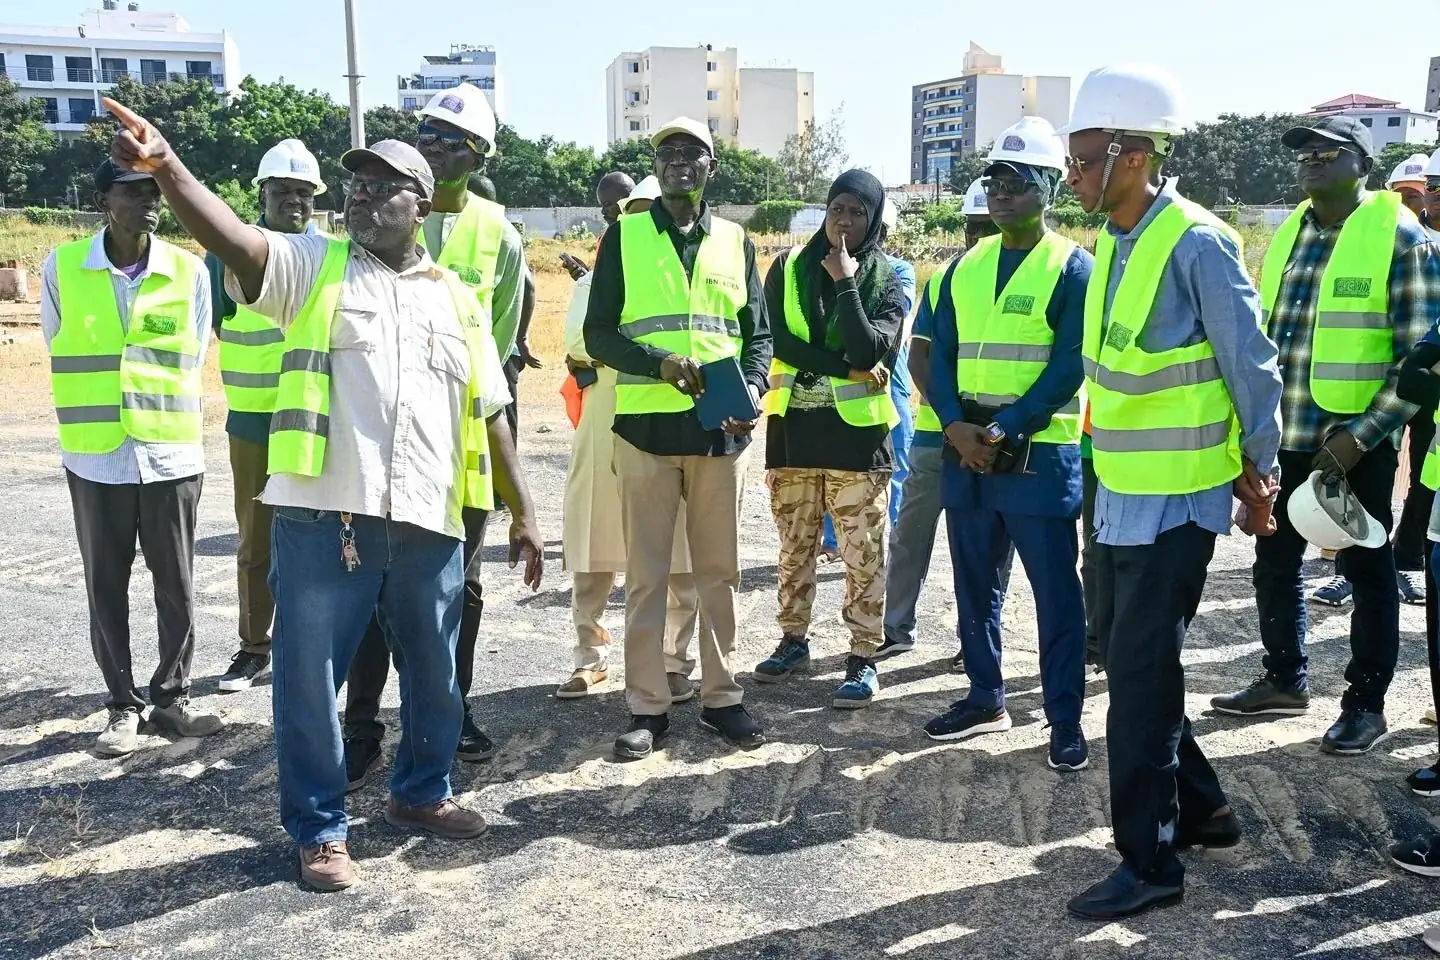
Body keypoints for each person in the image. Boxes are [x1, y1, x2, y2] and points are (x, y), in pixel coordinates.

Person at [102, 97, 545, 890]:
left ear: (422, 203)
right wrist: (167, 168)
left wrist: (527, 512)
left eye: (384, 188)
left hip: (427, 519)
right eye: (357, 188)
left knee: (438, 676)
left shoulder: (455, 296)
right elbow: (233, 238)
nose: (363, 199)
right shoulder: (313, 265)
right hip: (324, 516)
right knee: (310, 682)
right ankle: (319, 827)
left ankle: (421, 794)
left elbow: (491, 409)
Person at [1056, 64, 1284, 921]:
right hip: (1119, 491)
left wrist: (1259, 474)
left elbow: (1249, 365)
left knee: (1141, 686)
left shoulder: (1197, 240)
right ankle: (1205, 808)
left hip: (1178, 501)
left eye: (1083, 160)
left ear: (1134, 155)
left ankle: (1150, 861)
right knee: (1123, 652)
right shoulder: (1114, 244)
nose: (1073, 176)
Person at [1211, 115, 1440, 756]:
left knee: (1368, 573)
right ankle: (1284, 678)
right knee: (1274, 562)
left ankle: (1366, 706)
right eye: (1304, 153)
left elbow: (1419, 361)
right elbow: (1264, 341)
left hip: (1353, 444)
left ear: (1360, 164)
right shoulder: (1291, 232)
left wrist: (1363, 437)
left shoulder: (1402, 237)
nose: (1311, 160)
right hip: (1284, 435)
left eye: (1327, 152)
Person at [343, 81, 529, 780]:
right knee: (368, 583)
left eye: (449, 140)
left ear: (478, 154)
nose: (432, 145)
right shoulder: (369, 218)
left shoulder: (501, 238)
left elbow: (498, 351)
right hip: (373, 439)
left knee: (459, 588)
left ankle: (453, 709)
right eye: (425, 132)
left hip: (457, 449)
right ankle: (361, 724)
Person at [585, 116, 770, 760]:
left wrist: (751, 387)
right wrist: (657, 365)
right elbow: (598, 335)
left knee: (720, 572)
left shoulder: (736, 241)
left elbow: (757, 334)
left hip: (721, 433)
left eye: (692, 153)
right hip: (645, 430)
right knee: (647, 575)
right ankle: (646, 705)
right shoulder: (625, 237)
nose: (679, 163)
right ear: (656, 168)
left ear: (710, 168)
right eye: (667, 154)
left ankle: (723, 696)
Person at [917, 118, 1092, 771]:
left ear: (1051, 187)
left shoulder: (1075, 268)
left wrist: (1006, 426)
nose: (1003, 191)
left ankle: (1065, 718)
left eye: (1019, 181)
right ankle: (985, 696)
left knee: (1055, 595)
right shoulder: (963, 267)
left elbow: (1072, 363)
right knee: (973, 586)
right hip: (968, 453)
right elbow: (937, 355)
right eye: (995, 179)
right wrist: (956, 425)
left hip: (1037, 457)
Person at [41, 157, 221, 758]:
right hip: (96, 458)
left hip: (170, 454)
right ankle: (121, 705)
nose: (150, 201)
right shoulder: (63, 268)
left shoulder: (189, 271)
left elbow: (193, 357)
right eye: (134, 191)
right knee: (105, 585)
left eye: (155, 191)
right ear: (102, 201)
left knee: (177, 584)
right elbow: (57, 342)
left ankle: (171, 695)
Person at [750, 169, 904, 709]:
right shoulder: (788, 266)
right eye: (837, 208)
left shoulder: (885, 280)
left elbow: (870, 351)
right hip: (793, 434)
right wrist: (843, 368)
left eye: (857, 212)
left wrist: (845, 281)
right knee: (795, 549)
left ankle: (863, 657)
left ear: (873, 219)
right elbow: (776, 340)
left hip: (857, 445)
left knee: (863, 553)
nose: (843, 220)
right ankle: (793, 641)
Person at [559, 172, 707, 701]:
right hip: (603, 426)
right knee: (593, 548)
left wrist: (614, 348)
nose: (642, 221)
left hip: (662, 429)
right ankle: (590, 657)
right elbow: (579, 339)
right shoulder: (591, 280)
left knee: (677, 553)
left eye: (651, 211)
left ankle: (672, 661)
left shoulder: (685, 284)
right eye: (633, 212)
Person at [879, 178, 1013, 670]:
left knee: (988, 546)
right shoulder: (946, 279)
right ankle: (895, 629)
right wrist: (954, 422)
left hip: (999, 441)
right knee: (912, 530)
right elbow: (920, 360)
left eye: (989, 226)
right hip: (939, 436)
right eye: (974, 227)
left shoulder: (1029, 280)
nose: (981, 237)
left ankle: (978, 639)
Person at [212, 139, 327, 693]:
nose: (294, 201)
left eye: (304, 193)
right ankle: (255, 646)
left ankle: (314, 645)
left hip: (314, 418)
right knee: (255, 539)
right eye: (282, 191)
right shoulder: (228, 255)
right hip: (255, 420)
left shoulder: (332, 256)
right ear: (262, 194)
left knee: (319, 536)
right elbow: (218, 325)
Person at [1307, 149, 1435, 609]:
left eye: (1422, 192)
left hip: (1420, 392)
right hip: (1397, 388)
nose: (1422, 201)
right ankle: (1348, 566)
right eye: (1418, 191)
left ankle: (1410, 557)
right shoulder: (1382, 239)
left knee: (1420, 477)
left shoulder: (1411, 244)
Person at [818, 198, 917, 561]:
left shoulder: (898, 271)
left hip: (892, 382)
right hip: (842, 385)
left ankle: (891, 539)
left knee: (895, 463)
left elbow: (888, 324)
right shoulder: (826, 267)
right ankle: (833, 541)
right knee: (836, 466)